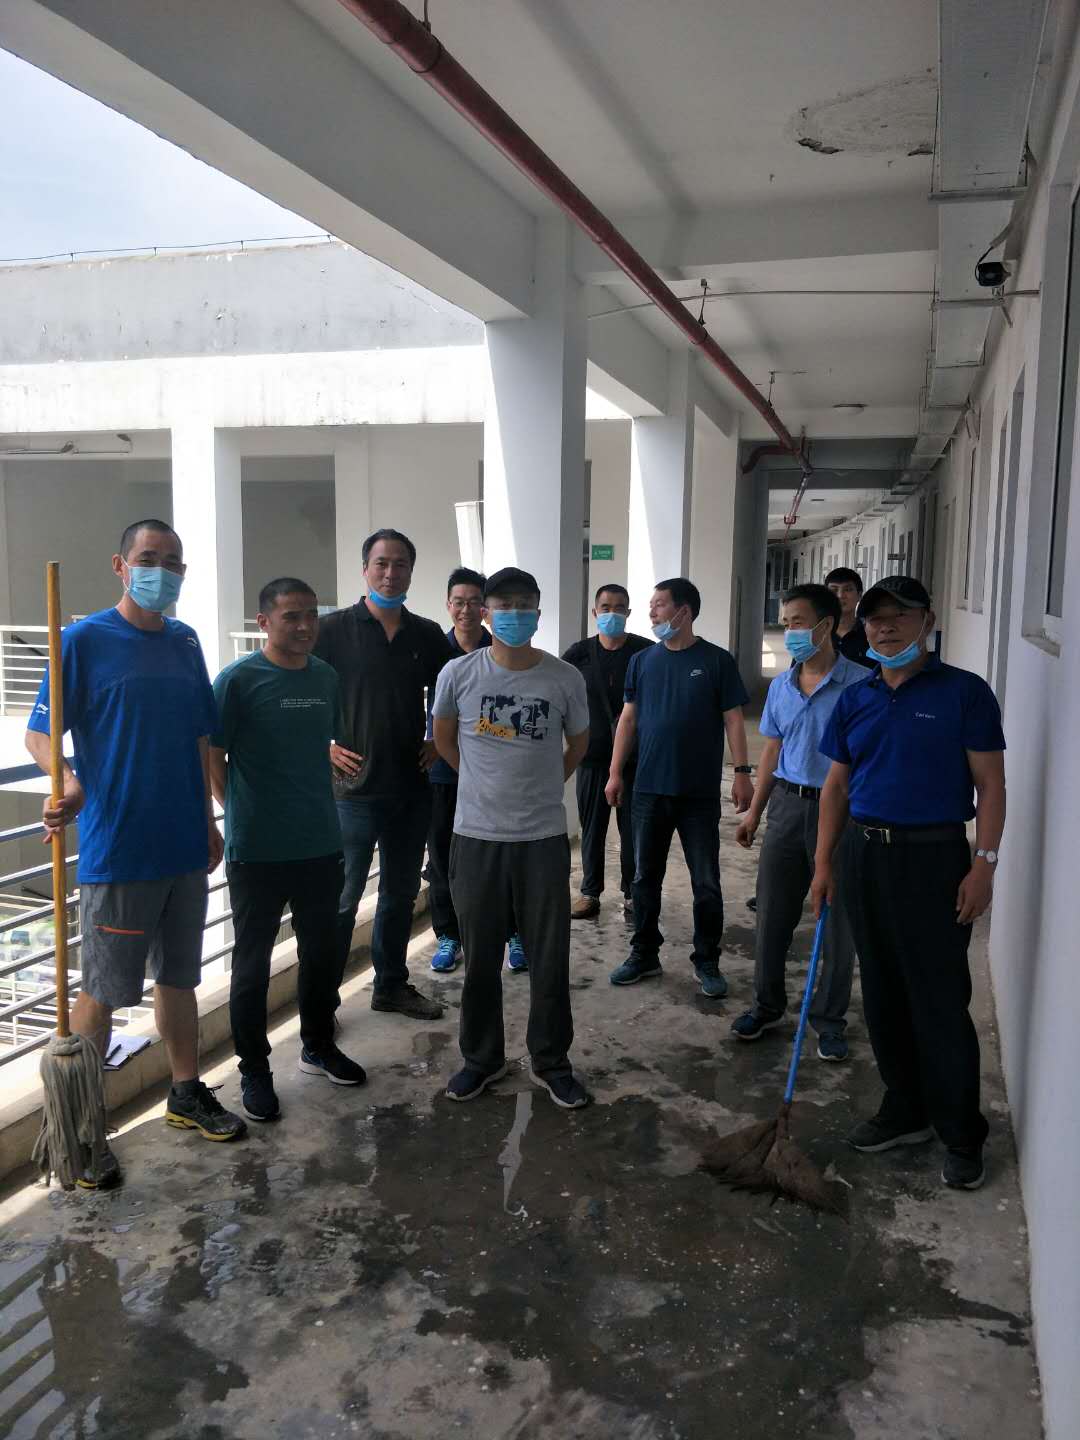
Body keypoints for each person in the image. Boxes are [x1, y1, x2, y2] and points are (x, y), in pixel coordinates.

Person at [25, 519, 247, 1188]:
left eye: (173, 561)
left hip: (183, 846)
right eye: (150, 558)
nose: (163, 571)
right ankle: (82, 1129)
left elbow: (200, 739)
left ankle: (185, 1092)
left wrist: (209, 821)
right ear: (121, 566)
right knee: (102, 993)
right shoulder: (83, 641)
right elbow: (41, 732)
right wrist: (66, 782)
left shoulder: (185, 641)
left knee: (179, 979)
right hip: (118, 851)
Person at [810, 576, 1006, 1192]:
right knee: (883, 993)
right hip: (865, 854)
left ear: (928, 621)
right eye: (875, 618)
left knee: (939, 998)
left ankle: (961, 1132)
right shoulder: (857, 697)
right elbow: (836, 787)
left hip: (933, 859)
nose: (885, 627)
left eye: (900, 615)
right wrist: (824, 864)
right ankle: (906, 1108)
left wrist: (984, 864)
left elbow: (991, 785)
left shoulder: (964, 693)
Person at [432, 566, 591, 1109]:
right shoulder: (458, 673)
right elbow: (444, 740)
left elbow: (579, 743)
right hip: (476, 837)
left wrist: (543, 784)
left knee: (548, 955)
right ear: (485, 613)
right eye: (504, 605)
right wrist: (481, 783)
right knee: (479, 957)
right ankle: (481, 1059)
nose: (514, 614)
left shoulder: (563, 678)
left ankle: (551, 1060)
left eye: (525, 605)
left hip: (541, 837)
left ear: (538, 614)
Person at [209, 578, 367, 1124]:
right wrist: (236, 808)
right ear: (264, 623)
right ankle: (254, 1070)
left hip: (320, 842)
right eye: (291, 616)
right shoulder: (237, 680)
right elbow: (213, 754)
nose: (304, 626)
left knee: (322, 954)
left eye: (311, 616)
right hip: (256, 849)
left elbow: (325, 744)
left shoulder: (325, 677)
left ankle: (318, 1045)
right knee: (252, 965)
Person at [313, 528, 451, 1021]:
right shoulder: (331, 631)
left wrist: (438, 739)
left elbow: (453, 693)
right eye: (382, 563)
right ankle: (322, 1002)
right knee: (341, 901)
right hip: (350, 793)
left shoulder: (427, 635)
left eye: (400, 565)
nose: (391, 573)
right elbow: (302, 690)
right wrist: (324, 745)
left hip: (411, 789)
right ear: (365, 570)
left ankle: (390, 985)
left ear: (411, 572)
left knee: (399, 894)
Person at [730, 583, 867, 1061]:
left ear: (826, 626)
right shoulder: (782, 687)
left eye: (798, 623)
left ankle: (828, 1019)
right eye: (786, 622)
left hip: (843, 813)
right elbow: (772, 750)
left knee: (836, 921)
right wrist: (755, 811)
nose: (790, 631)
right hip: (788, 807)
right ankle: (765, 1006)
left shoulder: (861, 686)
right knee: (772, 913)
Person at [606, 578, 753, 997]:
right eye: (651, 605)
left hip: (698, 794)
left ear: (684, 611)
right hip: (649, 789)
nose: (651, 612)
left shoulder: (717, 661)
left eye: (659, 605)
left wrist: (742, 772)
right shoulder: (643, 661)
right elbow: (628, 719)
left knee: (705, 882)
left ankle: (706, 959)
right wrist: (616, 772)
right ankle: (644, 953)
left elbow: (733, 719)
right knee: (643, 878)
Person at [427, 568, 529, 976]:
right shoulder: (435, 651)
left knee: (505, 857)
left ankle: (514, 933)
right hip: (444, 775)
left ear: (485, 609)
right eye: (459, 602)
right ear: (448, 605)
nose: (466, 610)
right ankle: (448, 935)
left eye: (474, 602)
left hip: (496, 779)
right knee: (442, 858)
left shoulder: (502, 648)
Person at [561, 585, 653, 919]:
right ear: (594, 612)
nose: (612, 613)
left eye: (619, 607)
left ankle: (632, 892)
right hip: (591, 756)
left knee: (633, 830)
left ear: (628, 613)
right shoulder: (578, 654)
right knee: (592, 828)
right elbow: (560, 695)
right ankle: (590, 892)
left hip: (634, 759)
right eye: (605, 607)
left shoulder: (645, 652)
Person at [823, 567, 873, 668]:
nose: (840, 595)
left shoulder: (871, 634)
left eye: (848, 589)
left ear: (859, 595)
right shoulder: (816, 634)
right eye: (834, 590)